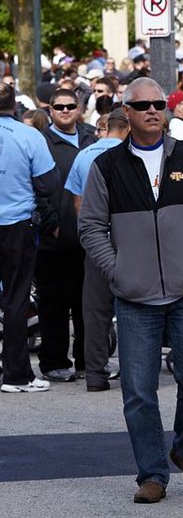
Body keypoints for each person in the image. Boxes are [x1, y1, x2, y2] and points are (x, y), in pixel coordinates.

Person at [77, 77, 183, 503]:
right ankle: (152, 473)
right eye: (141, 105)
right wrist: (117, 270)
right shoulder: (106, 166)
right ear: (127, 111)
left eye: (158, 103)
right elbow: (90, 227)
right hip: (135, 295)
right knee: (139, 391)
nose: (151, 110)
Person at [35, 87, 98, 382]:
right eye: (58, 107)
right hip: (53, 239)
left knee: (87, 302)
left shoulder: (91, 138)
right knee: (54, 304)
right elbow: (35, 186)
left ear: (79, 107)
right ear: (50, 110)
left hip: (88, 237)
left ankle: (87, 361)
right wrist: (50, 222)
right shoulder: (41, 141)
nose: (64, 110)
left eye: (70, 105)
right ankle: (54, 361)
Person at [0, 83, 60, 393]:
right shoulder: (28, 136)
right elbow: (49, 183)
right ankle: (16, 374)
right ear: (15, 105)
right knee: (16, 299)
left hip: (16, 221)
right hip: (16, 224)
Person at [65, 108, 129, 391]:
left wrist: (91, 236)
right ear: (127, 127)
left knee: (95, 311)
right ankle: (134, 372)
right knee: (134, 307)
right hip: (130, 240)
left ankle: (95, 374)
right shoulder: (134, 154)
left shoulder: (84, 154)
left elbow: (78, 204)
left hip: (96, 239)